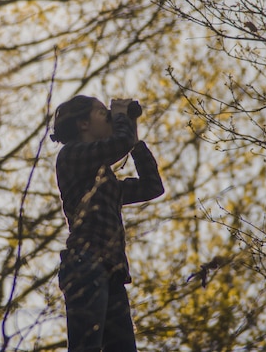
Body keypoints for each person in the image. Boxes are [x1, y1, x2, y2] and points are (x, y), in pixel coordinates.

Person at [51, 95, 164, 352]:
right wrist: (123, 118)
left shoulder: (107, 181)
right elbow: (118, 144)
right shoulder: (70, 156)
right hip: (85, 263)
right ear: (83, 124)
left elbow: (152, 187)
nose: (111, 118)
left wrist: (133, 139)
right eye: (104, 113)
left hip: (111, 272)